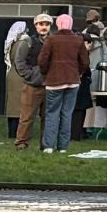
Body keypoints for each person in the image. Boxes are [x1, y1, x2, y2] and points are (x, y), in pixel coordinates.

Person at [37, 13, 88, 154]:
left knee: (52, 113)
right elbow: (85, 62)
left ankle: (48, 146)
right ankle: (63, 147)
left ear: (58, 25)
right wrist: (78, 73)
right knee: (67, 114)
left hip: (54, 81)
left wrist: (46, 72)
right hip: (72, 81)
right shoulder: (78, 40)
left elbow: (42, 60)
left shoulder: (51, 40)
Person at [12, 14, 50, 150]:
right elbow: (19, 61)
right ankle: (21, 142)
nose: (44, 27)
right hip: (32, 85)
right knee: (27, 117)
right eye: (41, 24)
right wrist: (29, 76)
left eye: (46, 24)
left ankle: (46, 144)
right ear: (36, 26)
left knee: (48, 118)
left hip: (50, 85)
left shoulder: (53, 41)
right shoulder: (27, 41)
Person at [3, 21, 28, 139]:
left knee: (11, 105)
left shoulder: (11, 42)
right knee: (19, 105)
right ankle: (17, 132)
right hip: (20, 75)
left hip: (11, 74)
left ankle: (11, 132)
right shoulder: (24, 42)